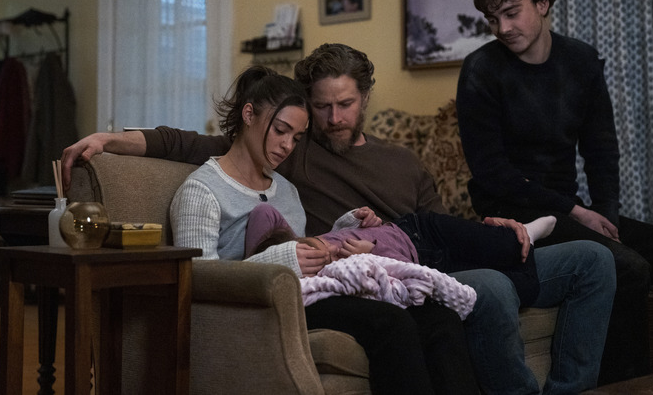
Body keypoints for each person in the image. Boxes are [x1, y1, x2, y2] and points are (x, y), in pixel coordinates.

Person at [61, 43, 616, 394]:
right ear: (257, 118)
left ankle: (521, 245)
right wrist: (111, 138)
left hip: (399, 254)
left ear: (365, 99)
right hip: (327, 278)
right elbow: (189, 153)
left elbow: (310, 235)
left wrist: (348, 229)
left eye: (342, 106)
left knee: (592, 261)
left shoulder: (290, 179)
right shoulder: (260, 168)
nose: (323, 123)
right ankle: (517, 253)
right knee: (456, 298)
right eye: (303, 118)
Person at [169, 64, 479, 394]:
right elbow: (197, 279)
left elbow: (300, 247)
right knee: (391, 323)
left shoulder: (285, 189)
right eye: (281, 131)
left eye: (297, 137)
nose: (287, 145)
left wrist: (341, 232)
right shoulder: (202, 190)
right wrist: (285, 261)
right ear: (249, 114)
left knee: (439, 318)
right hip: (262, 307)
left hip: (311, 293)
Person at [454, 0, 653, 385]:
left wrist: (607, 214)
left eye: (511, 12)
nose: (502, 27)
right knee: (627, 267)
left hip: (569, 208)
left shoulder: (580, 61)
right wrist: (577, 213)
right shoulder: (481, 71)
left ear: (542, 3)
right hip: (516, 216)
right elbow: (491, 172)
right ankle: (622, 387)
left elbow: (601, 150)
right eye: (492, 18)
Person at [245, 202, 558, 306]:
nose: (328, 250)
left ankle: (528, 230)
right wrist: (370, 252)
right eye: (322, 256)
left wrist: (356, 220)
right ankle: (521, 239)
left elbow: (263, 212)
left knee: (505, 245)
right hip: (428, 261)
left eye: (318, 247)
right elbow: (391, 283)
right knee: (522, 286)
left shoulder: (306, 243)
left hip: (418, 229)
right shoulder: (335, 276)